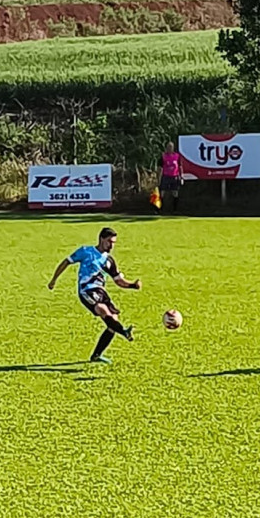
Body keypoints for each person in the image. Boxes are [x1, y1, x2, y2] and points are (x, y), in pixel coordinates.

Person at [48, 227, 142, 364]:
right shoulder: (86, 251)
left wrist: (133, 285)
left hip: (101, 292)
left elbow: (118, 281)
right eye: (109, 241)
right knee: (103, 311)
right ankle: (124, 332)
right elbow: (66, 262)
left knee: (113, 321)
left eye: (114, 242)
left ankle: (96, 355)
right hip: (87, 290)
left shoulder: (109, 261)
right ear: (101, 239)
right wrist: (53, 280)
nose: (112, 245)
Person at [157, 142, 184, 214]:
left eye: (171, 147)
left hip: (174, 177)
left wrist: (181, 177)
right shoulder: (163, 156)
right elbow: (160, 168)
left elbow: (180, 167)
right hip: (166, 176)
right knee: (162, 193)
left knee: (175, 193)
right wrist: (159, 178)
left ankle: (175, 210)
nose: (169, 148)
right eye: (168, 147)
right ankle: (160, 209)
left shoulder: (177, 156)